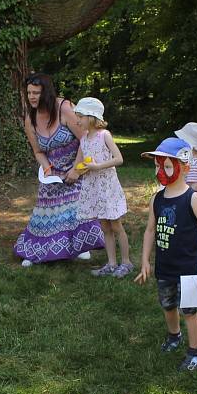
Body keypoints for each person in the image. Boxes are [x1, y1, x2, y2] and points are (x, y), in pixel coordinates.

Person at [135, 138, 197, 372]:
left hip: (189, 267)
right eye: (158, 166)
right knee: (168, 305)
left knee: (189, 311)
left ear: (184, 167)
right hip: (165, 266)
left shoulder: (193, 198)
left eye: (167, 166)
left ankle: (195, 353)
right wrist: (145, 261)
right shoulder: (156, 199)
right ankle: (174, 335)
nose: (161, 171)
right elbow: (150, 230)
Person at [15, 73, 104, 266]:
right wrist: (47, 169)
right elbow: (38, 151)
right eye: (29, 92)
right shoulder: (30, 119)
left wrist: (76, 169)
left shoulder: (64, 108)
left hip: (78, 163)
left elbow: (86, 139)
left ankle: (81, 245)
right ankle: (36, 250)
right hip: (53, 170)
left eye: (36, 93)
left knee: (76, 203)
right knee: (45, 210)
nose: (31, 96)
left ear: (46, 92)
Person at [64, 97, 131, 277]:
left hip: (107, 187)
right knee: (104, 226)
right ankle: (111, 263)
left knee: (116, 225)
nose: (77, 121)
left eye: (80, 117)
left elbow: (119, 159)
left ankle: (126, 263)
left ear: (91, 117)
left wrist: (97, 167)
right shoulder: (84, 139)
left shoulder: (104, 135)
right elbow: (78, 164)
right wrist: (75, 171)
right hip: (94, 188)